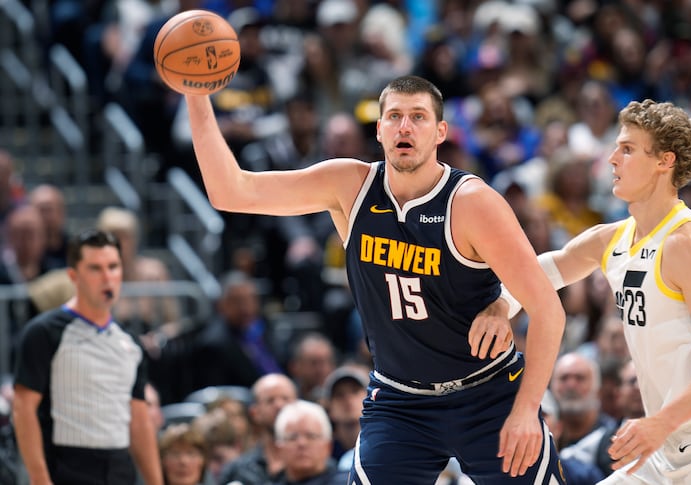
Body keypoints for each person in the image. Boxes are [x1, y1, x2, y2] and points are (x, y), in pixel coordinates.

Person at [184, 75, 566, 482]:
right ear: (380, 130)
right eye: (395, 116)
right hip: (401, 401)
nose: (405, 127)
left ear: (439, 132)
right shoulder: (349, 186)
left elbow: (548, 311)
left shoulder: (472, 203)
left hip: (486, 394)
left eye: (418, 117)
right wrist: (195, 95)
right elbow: (231, 192)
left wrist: (526, 410)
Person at [519, 99, 691, 482]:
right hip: (664, 447)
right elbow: (545, 270)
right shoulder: (615, 239)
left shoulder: (689, 241)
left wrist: (658, 424)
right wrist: (492, 306)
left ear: (664, 162)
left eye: (628, 149)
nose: (612, 159)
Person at [12, 229, 162, 485]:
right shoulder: (44, 332)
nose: (107, 277)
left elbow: (139, 422)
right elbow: (23, 409)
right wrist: (39, 479)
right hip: (65, 468)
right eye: (95, 268)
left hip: (119, 470)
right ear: (74, 275)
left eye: (113, 267)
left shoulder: (130, 343)